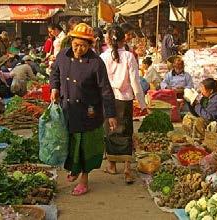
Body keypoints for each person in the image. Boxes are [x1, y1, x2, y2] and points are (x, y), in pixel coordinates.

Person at [50, 23, 117, 196]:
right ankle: (74, 168)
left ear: (90, 45)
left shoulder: (95, 62)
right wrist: (54, 88)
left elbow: (106, 89)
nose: (79, 49)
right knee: (71, 142)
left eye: (84, 46)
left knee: (84, 146)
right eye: (76, 45)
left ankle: (84, 180)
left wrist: (111, 114)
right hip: (68, 108)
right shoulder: (62, 56)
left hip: (89, 111)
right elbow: (54, 73)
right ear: (71, 41)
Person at [100, 25, 146, 184]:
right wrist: (142, 103)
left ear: (107, 40)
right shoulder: (129, 56)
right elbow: (135, 81)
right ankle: (127, 169)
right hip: (125, 99)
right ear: (123, 39)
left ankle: (112, 165)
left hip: (107, 99)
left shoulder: (103, 57)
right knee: (126, 131)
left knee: (110, 131)